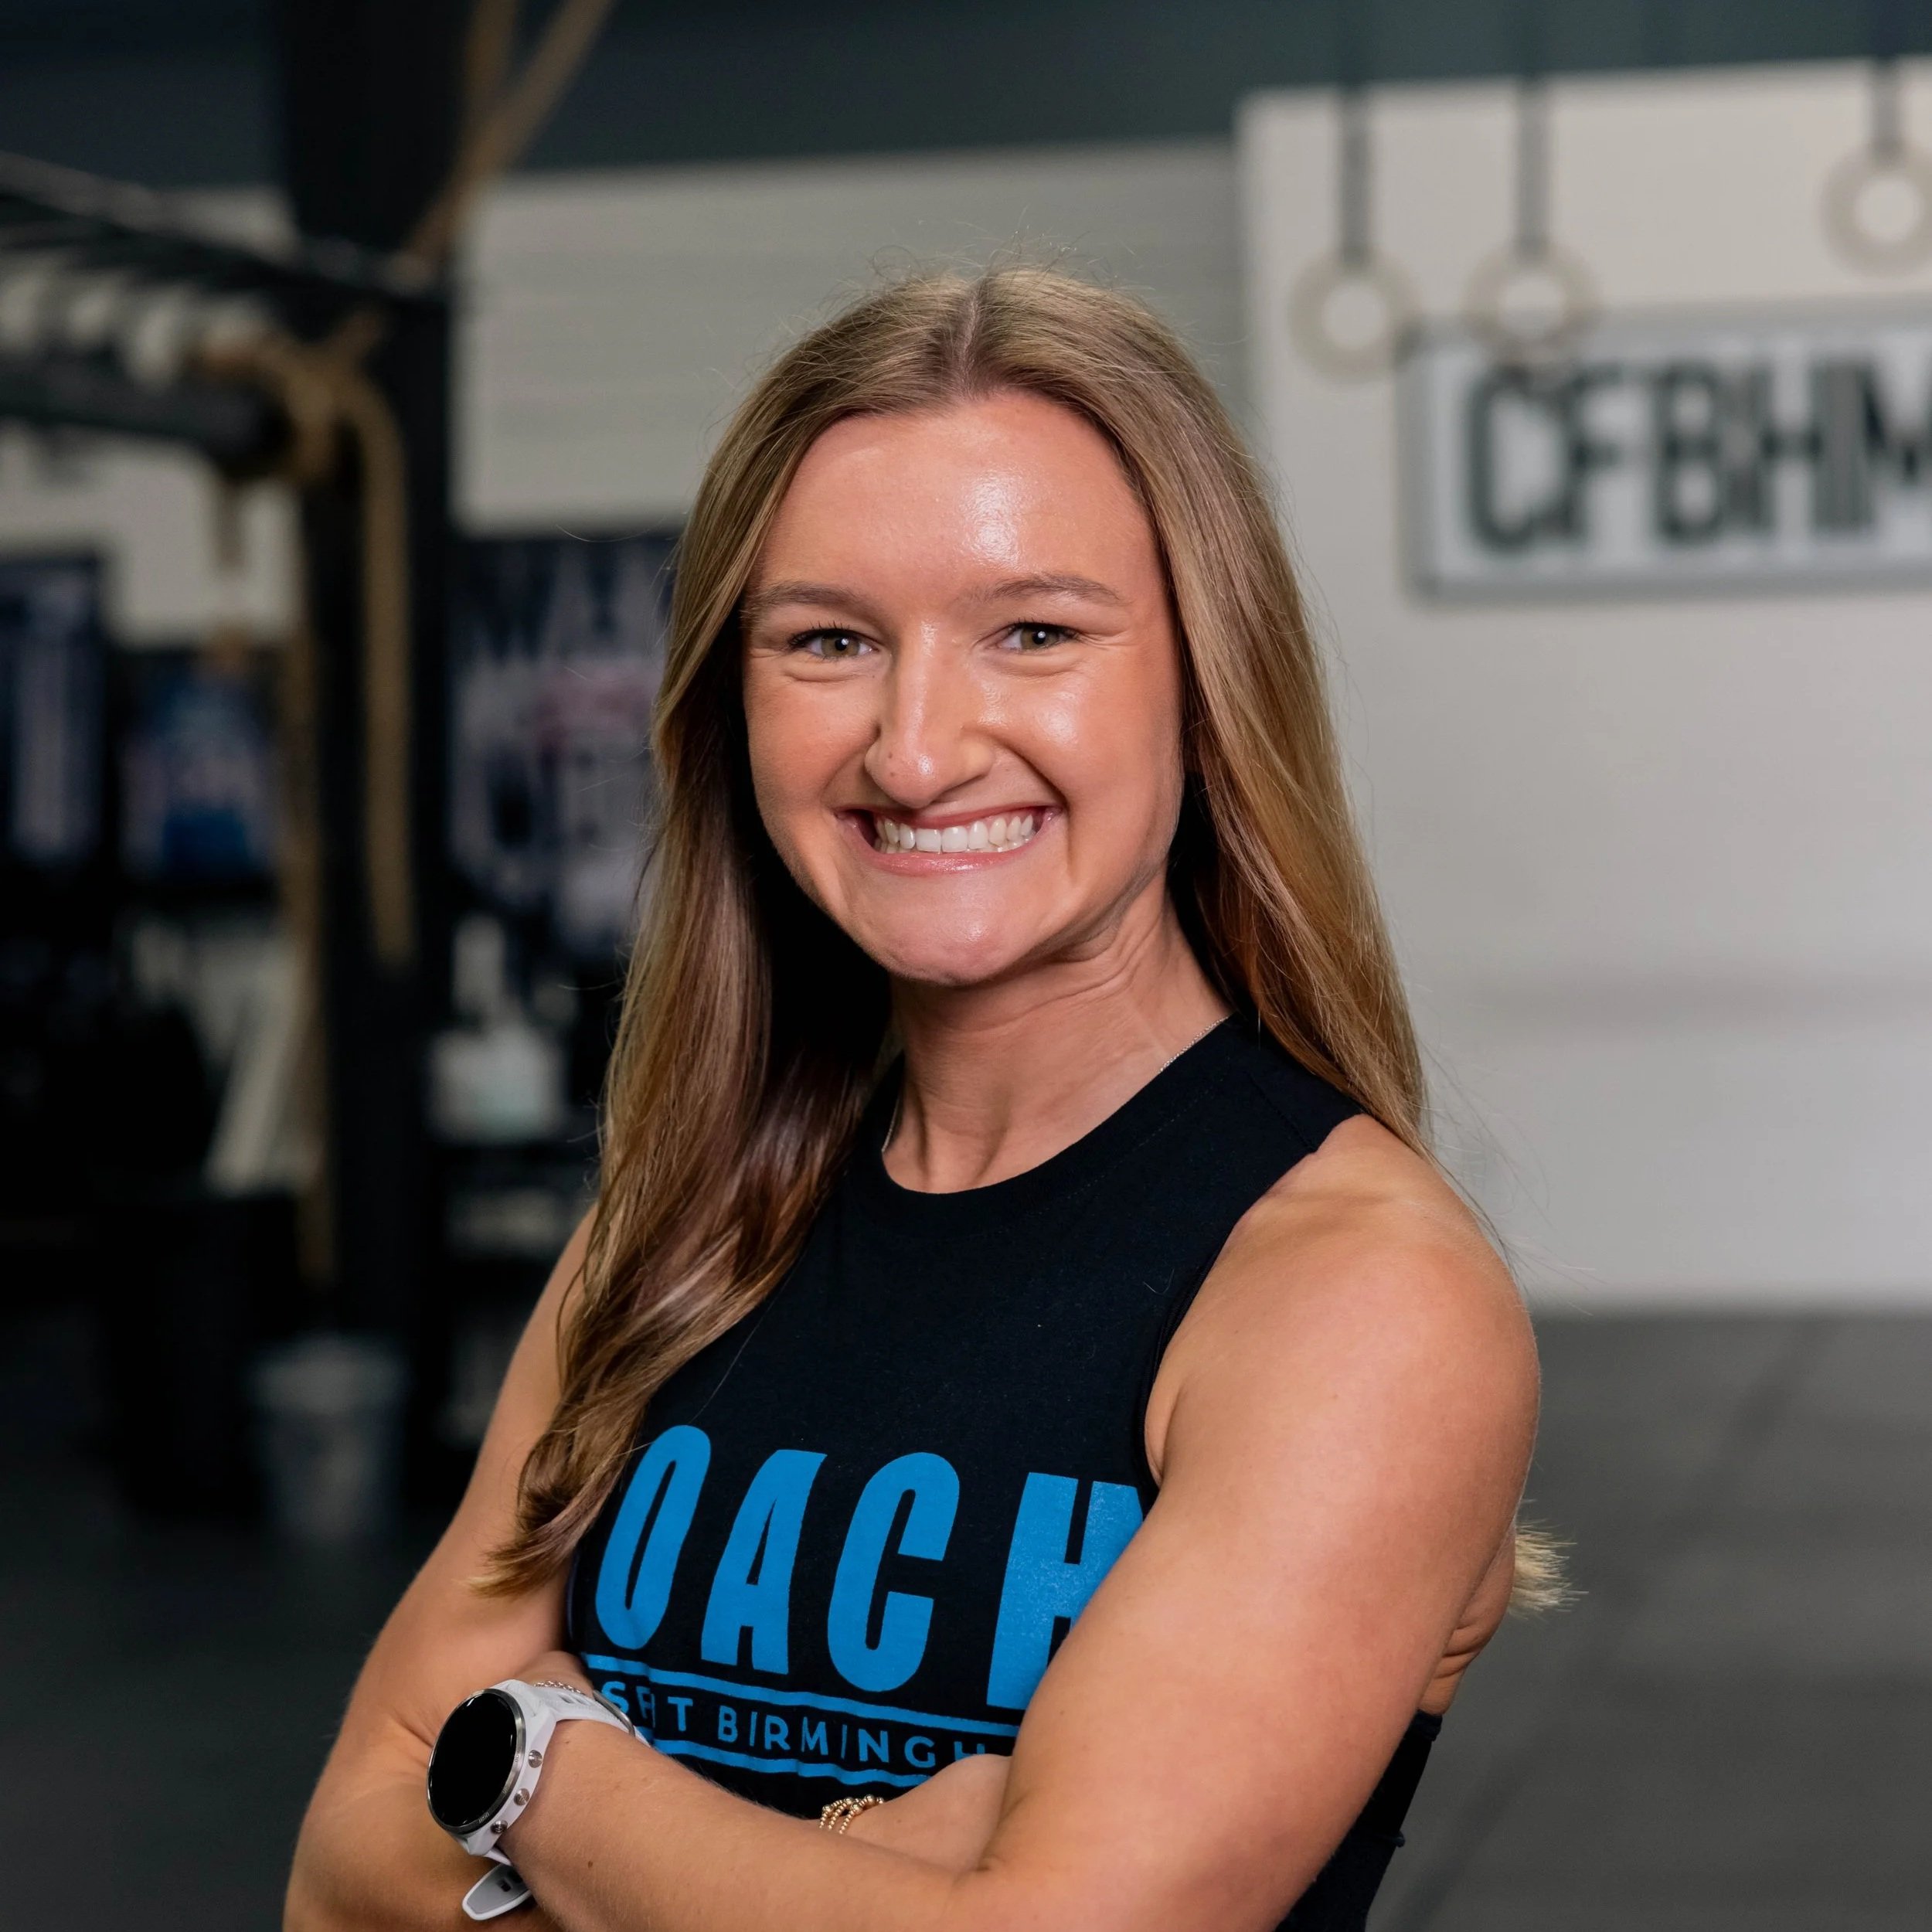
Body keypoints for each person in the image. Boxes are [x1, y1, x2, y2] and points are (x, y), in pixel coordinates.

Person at [287, 265, 1546, 1932]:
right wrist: (889, 1862)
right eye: (827, 641)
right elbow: (334, 1868)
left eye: (1031, 631)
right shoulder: (671, 1237)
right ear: (732, 705)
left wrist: (542, 1769)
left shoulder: (1350, 1293)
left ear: (1201, 674)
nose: (914, 745)